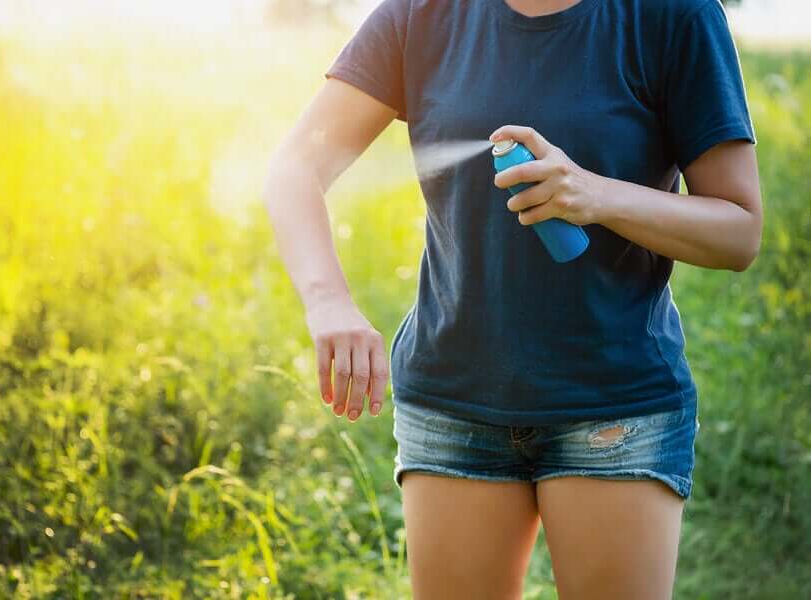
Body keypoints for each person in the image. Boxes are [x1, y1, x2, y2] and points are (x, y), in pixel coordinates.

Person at [262, 0, 761, 597]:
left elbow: (739, 231)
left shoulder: (671, 15)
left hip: (615, 406)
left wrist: (594, 195)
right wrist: (329, 304)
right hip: (453, 402)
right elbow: (295, 167)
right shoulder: (422, 13)